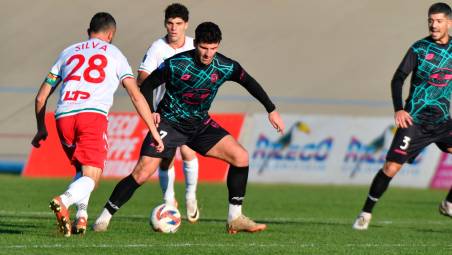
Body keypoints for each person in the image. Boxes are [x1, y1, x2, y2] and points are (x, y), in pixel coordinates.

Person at [93, 21, 285, 234]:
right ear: (196, 44)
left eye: (213, 48)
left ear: (218, 45)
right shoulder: (176, 64)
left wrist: (271, 109)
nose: (207, 53)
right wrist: (152, 111)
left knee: (241, 157)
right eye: (204, 47)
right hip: (169, 123)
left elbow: (249, 82)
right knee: (142, 173)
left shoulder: (226, 66)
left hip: (200, 125)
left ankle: (235, 218)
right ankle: (104, 218)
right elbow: (147, 85)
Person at [31, 12, 163, 237]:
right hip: (91, 116)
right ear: (111, 34)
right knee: (92, 176)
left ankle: (81, 217)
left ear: (88, 32)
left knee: (82, 171)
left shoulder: (68, 52)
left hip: (63, 116)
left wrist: (41, 128)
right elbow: (135, 95)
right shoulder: (115, 54)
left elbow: (41, 97)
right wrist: (153, 129)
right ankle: (63, 200)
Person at [353, 2, 452, 230]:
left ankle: (448, 203)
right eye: (430, 20)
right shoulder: (419, 48)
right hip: (414, 121)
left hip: (442, 121)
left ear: (449, 22)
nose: (433, 25)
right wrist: (399, 109)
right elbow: (398, 78)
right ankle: (365, 213)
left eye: (438, 21)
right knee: (391, 168)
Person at [137, 3, 200, 223]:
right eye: (170, 23)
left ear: (186, 25)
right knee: (166, 159)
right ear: (165, 24)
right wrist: (151, 110)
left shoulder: (195, 45)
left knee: (189, 151)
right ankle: (169, 199)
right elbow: (142, 80)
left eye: (178, 24)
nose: (174, 28)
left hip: (191, 110)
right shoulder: (157, 48)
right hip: (164, 112)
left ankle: (191, 196)